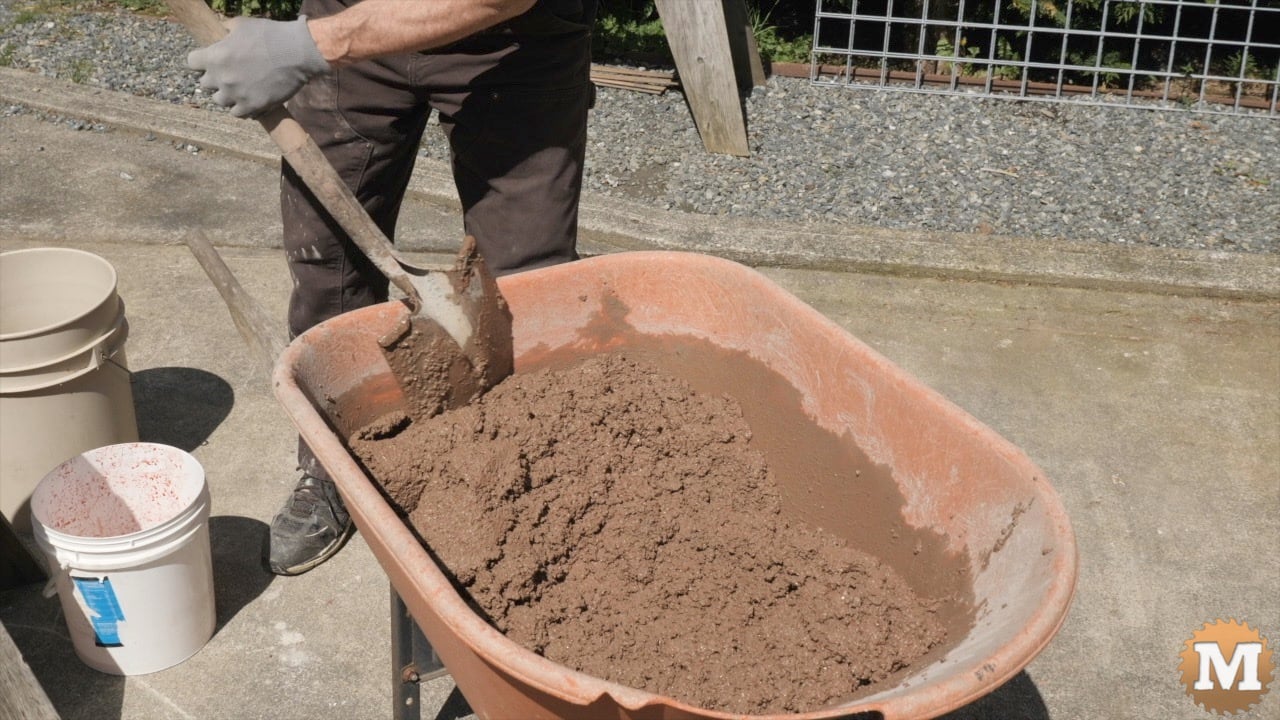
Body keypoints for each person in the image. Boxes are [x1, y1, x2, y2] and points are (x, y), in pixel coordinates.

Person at [188, 0, 597, 575]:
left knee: (526, 282)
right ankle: (336, 464)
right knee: (328, 265)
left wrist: (305, 47)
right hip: (346, 19)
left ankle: (520, 468)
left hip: (512, 40)